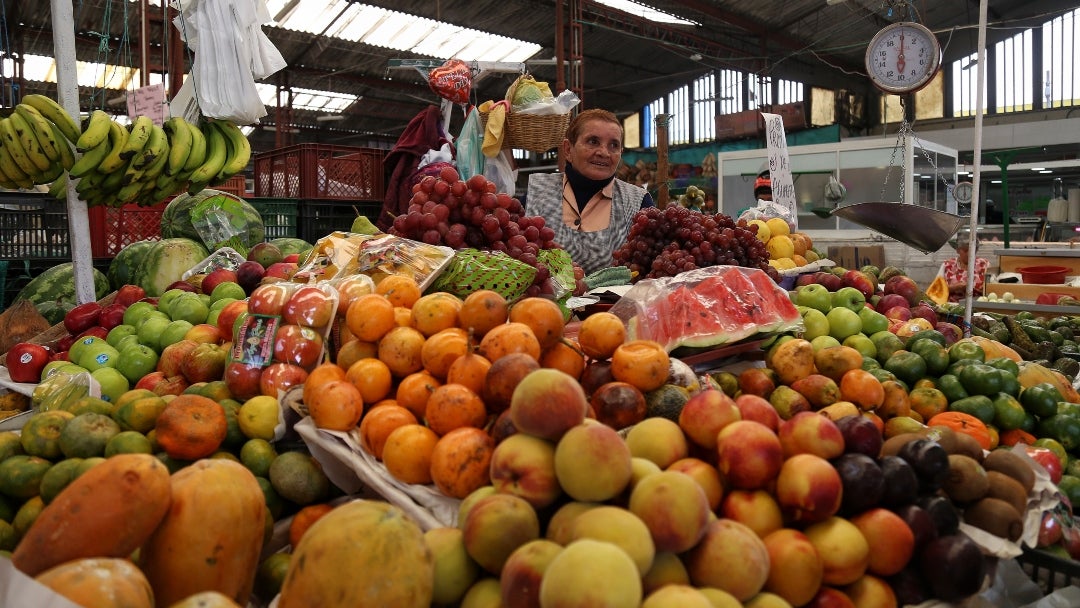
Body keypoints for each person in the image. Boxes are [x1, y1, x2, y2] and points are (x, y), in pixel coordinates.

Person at [526, 108, 654, 275]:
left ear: (620, 153)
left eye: (614, 145)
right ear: (568, 149)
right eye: (593, 141)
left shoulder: (638, 202)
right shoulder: (536, 192)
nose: (604, 153)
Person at [941, 234, 990, 302]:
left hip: (977, 306)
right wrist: (954, 287)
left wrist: (976, 290)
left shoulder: (984, 264)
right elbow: (937, 289)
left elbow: (991, 290)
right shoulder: (947, 265)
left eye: (972, 251)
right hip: (952, 306)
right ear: (958, 250)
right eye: (965, 250)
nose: (968, 254)